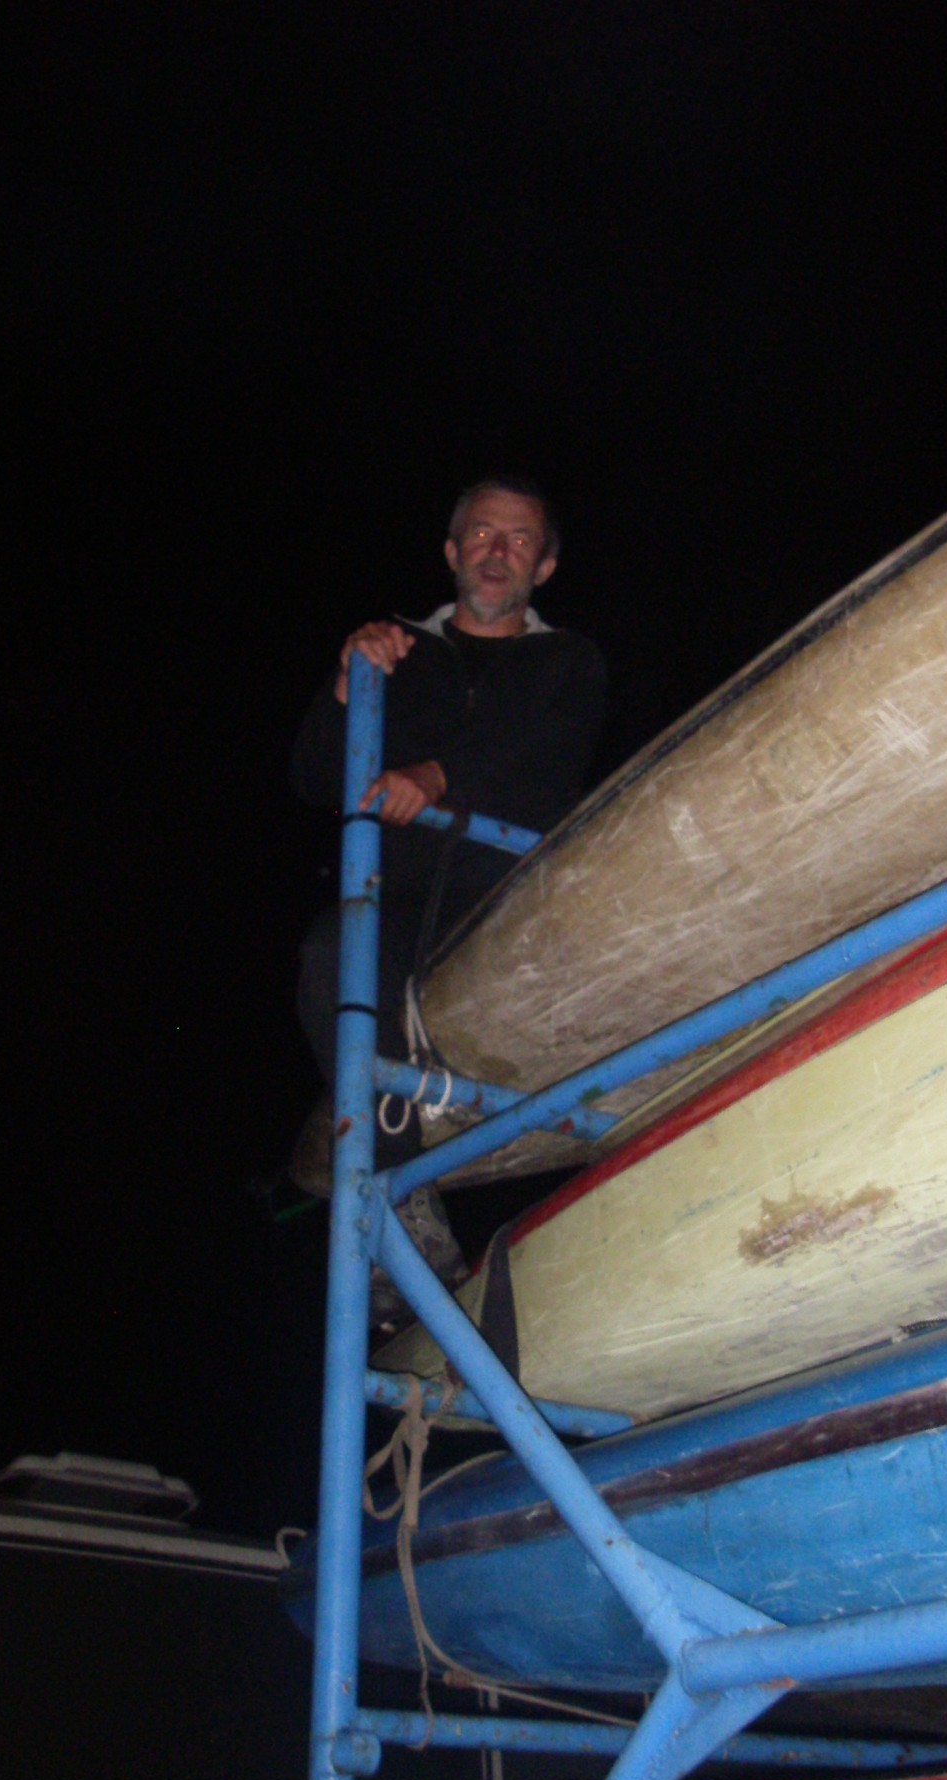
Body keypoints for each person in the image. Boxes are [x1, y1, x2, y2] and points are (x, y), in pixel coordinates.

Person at [290, 479, 605, 1298]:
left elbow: (549, 754)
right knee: (331, 952)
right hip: (399, 900)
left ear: (544, 567)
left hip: (505, 892)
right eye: (482, 534)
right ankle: (405, 1216)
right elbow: (314, 775)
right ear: (452, 551)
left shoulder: (567, 660)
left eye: (519, 539)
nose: (497, 551)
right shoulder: (396, 651)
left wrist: (436, 777)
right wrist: (346, 683)